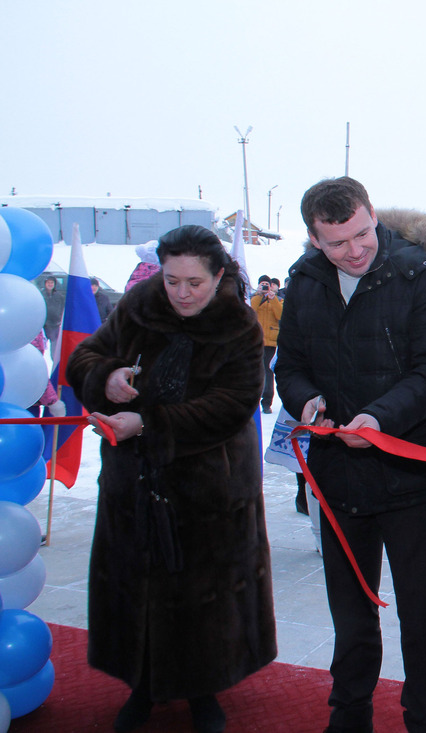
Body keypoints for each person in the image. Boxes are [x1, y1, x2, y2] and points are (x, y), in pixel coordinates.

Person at [66, 224, 276, 733]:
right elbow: (83, 357)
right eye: (172, 280)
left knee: (205, 593)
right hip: (134, 482)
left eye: (194, 283)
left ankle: (204, 690)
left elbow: (232, 404)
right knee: (138, 587)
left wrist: (151, 423)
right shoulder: (139, 305)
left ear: (219, 275)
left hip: (211, 487)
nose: (181, 292)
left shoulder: (239, 325)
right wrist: (108, 376)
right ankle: (143, 686)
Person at [275, 176, 426, 733]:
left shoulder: (417, 273)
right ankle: (350, 714)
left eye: (361, 234)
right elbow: (291, 364)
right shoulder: (305, 281)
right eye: (337, 243)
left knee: (421, 611)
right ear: (314, 239)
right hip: (337, 476)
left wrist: (380, 420)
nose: (354, 251)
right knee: (350, 612)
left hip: (410, 471)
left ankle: (425, 716)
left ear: (372, 213)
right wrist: (307, 403)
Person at [250, 274, 283, 413]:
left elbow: (280, 315)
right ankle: (253, 400)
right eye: (262, 284)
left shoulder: (277, 300)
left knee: (268, 371)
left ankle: (267, 402)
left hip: (269, 341)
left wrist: (272, 298)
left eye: (266, 285)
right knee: (254, 370)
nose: (264, 287)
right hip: (254, 340)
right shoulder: (254, 298)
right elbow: (250, 312)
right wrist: (259, 295)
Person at [41, 274, 64, 363]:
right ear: (45, 284)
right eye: (48, 282)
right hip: (43, 326)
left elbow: (63, 309)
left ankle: (54, 367)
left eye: (52, 283)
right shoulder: (41, 295)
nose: (50, 284)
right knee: (41, 347)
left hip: (55, 326)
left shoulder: (59, 296)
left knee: (55, 351)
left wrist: (60, 319)